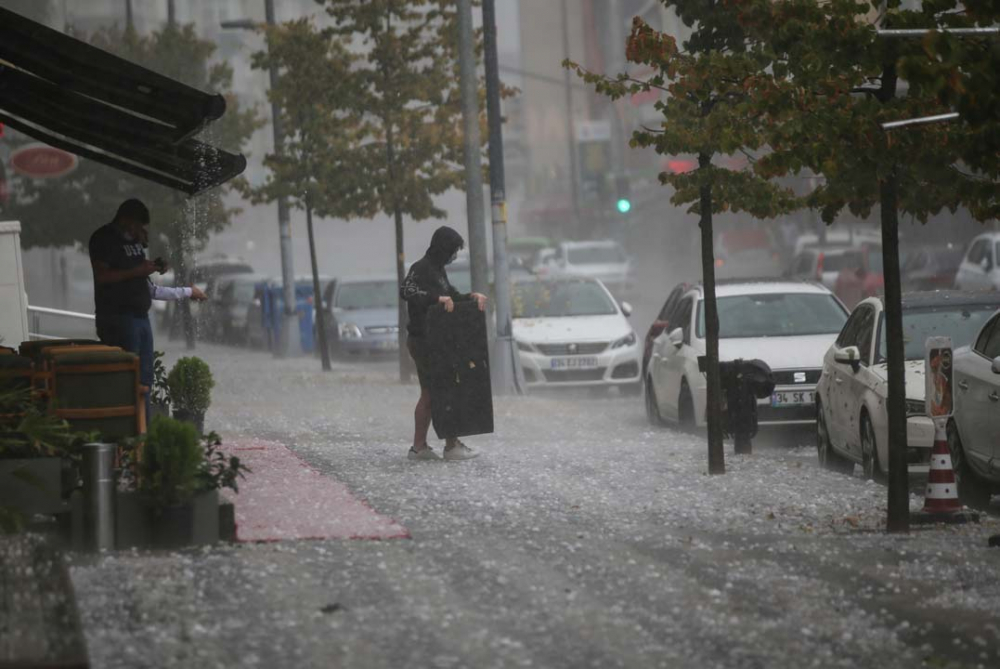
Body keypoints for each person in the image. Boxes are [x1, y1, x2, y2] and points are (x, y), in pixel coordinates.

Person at [88, 199, 206, 420]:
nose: (139, 232)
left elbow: (148, 287)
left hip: (141, 318)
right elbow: (104, 276)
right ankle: (127, 430)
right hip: (119, 318)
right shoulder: (103, 239)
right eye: (136, 226)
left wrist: (152, 265)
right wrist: (138, 270)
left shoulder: (134, 241)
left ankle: (144, 429)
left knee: (145, 380)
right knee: (126, 378)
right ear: (124, 219)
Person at [401, 226, 487, 461]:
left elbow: (451, 296)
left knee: (434, 392)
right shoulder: (421, 268)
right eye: (453, 250)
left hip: (436, 340)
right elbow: (407, 291)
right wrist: (435, 299)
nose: (454, 256)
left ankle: (422, 447)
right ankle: (447, 446)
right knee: (440, 391)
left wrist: (471, 297)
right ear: (443, 248)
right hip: (425, 341)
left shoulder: (437, 270)